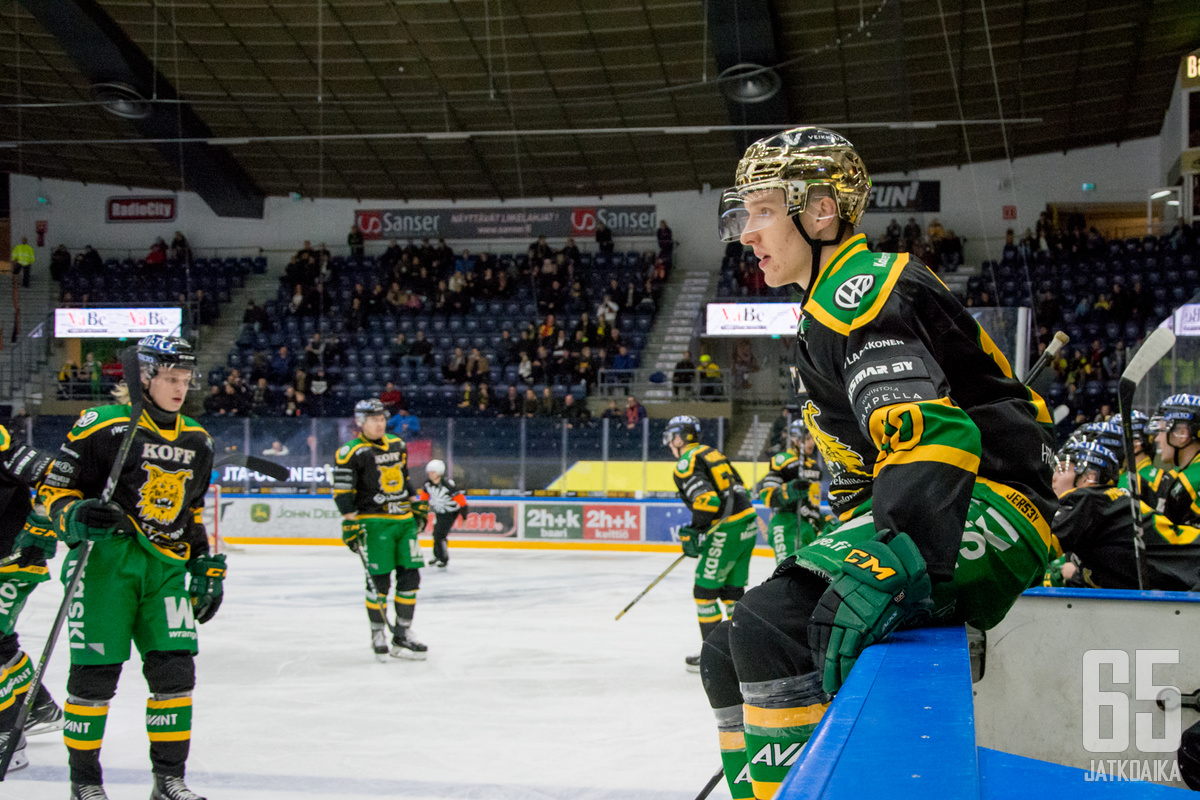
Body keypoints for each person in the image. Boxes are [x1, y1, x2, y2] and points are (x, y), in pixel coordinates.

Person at [703, 127, 1058, 798]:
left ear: (820, 212)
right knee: (729, 648)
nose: (745, 232)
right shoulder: (819, 315)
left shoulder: (860, 287)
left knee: (773, 625)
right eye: (742, 213)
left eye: (763, 210)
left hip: (994, 503)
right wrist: (836, 552)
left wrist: (891, 560)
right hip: (953, 499)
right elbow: (861, 475)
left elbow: (938, 438)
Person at [38, 335, 223, 800]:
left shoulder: (197, 438)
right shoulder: (101, 425)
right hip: (105, 565)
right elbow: (53, 492)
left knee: (175, 672)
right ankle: (86, 784)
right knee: (95, 676)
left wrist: (202, 561)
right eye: (170, 379)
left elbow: (190, 511)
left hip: (164, 570)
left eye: (185, 380)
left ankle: (169, 781)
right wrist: (74, 515)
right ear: (144, 378)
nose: (180, 389)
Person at [333, 399, 428, 661]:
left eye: (382, 419)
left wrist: (415, 503)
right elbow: (342, 493)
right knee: (379, 582)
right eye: (374, 420)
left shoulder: (398, 444)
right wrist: (350, 522)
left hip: (404, 522)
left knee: (411, 578)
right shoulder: (349, 452)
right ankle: (378, 633)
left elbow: (404, 478)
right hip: (374, 523)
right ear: (361, 422)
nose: (380, 424)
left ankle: (403, 633)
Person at [664, 416, 758, 674]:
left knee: (704, 593)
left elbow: (706, 500)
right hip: (747, 524)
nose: (670, 442)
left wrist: (696, 531)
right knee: (731, 592)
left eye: (671, 436)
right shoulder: (712, 453)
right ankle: (743, 652)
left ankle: (716, 656)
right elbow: (742, 489)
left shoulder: (687, 461)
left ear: (680, 438)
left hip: (727, 529)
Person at [0, 425, 63, 770]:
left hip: (14, 560)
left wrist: (43, 522)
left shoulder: (3, 446)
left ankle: (7, 739)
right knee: (3, 644)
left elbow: (53, 474)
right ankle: (40, 708)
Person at [1045, 441, 1138, 589]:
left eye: (1062, 469)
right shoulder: (1108, 503)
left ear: (1090, 477)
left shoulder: (1088, 500)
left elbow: (1037, 549)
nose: (1053, 478)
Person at [755, 419, 824, 564]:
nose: (812, 443)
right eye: (807, 439)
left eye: (813, 438)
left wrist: (821, 518)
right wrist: (791, 489)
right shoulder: (783, 461)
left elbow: (812, 502)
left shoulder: (814, 467)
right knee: (788, 573)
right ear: (795, 439)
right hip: (785, 525)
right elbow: (768, 496)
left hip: (809, 528)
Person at [418, 460, 467, 569]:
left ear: (439, 473)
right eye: (429, 472)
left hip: (450, 513)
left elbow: (461, 501)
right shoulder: (427, 484)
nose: (431, 474)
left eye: (433, 472)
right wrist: (421, 512)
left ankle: (443, 558)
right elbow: (423, 499)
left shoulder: (447, 485)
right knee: (436, 534)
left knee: (440, 535)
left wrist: (464, 517)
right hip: (439, 511)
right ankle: (437, 555)